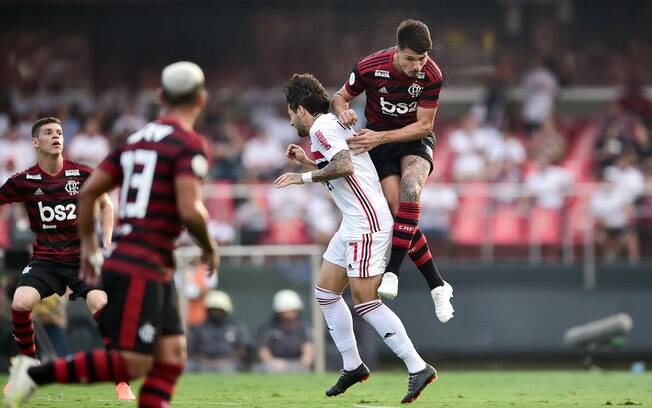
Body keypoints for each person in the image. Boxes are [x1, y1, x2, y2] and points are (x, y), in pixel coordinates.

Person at [5, 61, 219, 408]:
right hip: (142, 258)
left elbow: (92, 195)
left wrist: (92, 245)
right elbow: (191, 209)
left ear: (161, 96)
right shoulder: (188, 143)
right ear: (202, 99)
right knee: (134, 361)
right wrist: (209, 246)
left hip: (134, 257)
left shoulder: (135, 140)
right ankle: (34, 375)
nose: (56, 137)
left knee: (172, 353)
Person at [275, 73, 437, 403]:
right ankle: (353, 366)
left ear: (301, 109)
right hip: (353, 222)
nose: (291, 121)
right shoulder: (330, 127)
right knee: (325, 293)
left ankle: (417, 366)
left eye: (291, 114)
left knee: (365, 301)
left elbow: (345, 167)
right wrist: (309, 161)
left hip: (367, 223)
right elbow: (346, 171)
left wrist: (302, 176)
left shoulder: (321, 128)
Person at [0, 117, 134, 400]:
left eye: (59, 132)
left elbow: (106, 205)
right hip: (46, 260)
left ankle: (122, 382)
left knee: (102, 304)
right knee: (20, 302)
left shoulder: (83, 174)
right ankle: (29, 369)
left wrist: (107, 241)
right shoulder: (24, 180)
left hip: (81, 259)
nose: (56, 136)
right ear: (35, 142)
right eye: (48, 132)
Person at [330, 19, 453, 322]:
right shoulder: (370, 66)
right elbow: (339, 96)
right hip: (380, 144)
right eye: (411, 59)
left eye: (422, 59)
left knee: (412, 189)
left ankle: (392, 272)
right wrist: (344, 110)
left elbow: (424, 125)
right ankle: (437, 285)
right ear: (397, 52)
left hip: (412, 139)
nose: (417, 66)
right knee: (398, 209)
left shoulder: (432, 74)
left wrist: (379, 137)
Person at [188, 290, 252, 372]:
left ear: (225, 310)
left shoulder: (237, 328)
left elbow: (245, 349)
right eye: (213, 310)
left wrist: (228, 359)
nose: (215, 313)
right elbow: (190, 350)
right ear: (208, 310)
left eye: (219, 310)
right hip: (202, 364)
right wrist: (203, 360)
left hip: (229, 363)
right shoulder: (198, 329)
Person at [257, 289, 313, 373]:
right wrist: (272, 362)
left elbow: (308, 350)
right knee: (264, 368)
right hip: (275, 365)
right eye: (287, 310)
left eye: (293, 310)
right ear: (279, 311)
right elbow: (263, 350)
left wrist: (305, 361)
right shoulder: (269, 328)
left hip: (297, 365)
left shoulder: (303, 328)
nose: (290, 313)